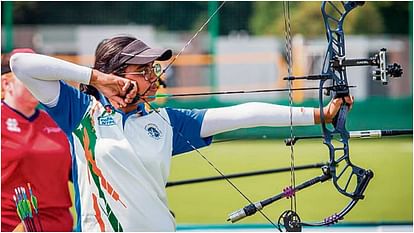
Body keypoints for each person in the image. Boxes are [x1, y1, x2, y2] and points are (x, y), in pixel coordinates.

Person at [10, 36, 353, 231]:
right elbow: (21, 65)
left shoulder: (166, 121)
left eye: (154, 69)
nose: (155, 78)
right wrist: (98, 80)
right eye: (143, 70)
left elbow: (243, 115)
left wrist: (318, 114)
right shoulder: (82, 112)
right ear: (115, 74)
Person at [1, 48, 73, 231]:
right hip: (12, 224)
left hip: (59, 224)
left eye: (41, 78)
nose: (37, 84)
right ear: (6, 83)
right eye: (29, 78)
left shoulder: (56, 121)